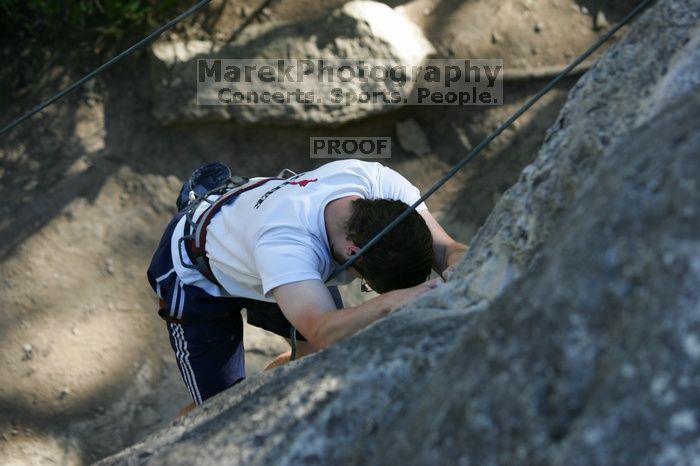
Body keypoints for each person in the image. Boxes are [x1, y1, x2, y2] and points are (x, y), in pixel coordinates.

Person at [147, 159, 468, 407]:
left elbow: (447, 248)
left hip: (256, 240)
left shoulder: (378, 181)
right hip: (196, 275)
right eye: (364, 282)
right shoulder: (287, 245)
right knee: (216, 412)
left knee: (312, 358)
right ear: (353, 253)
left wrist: (463, 265)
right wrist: (390, 301)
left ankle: (273, 401)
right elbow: (324, 329)